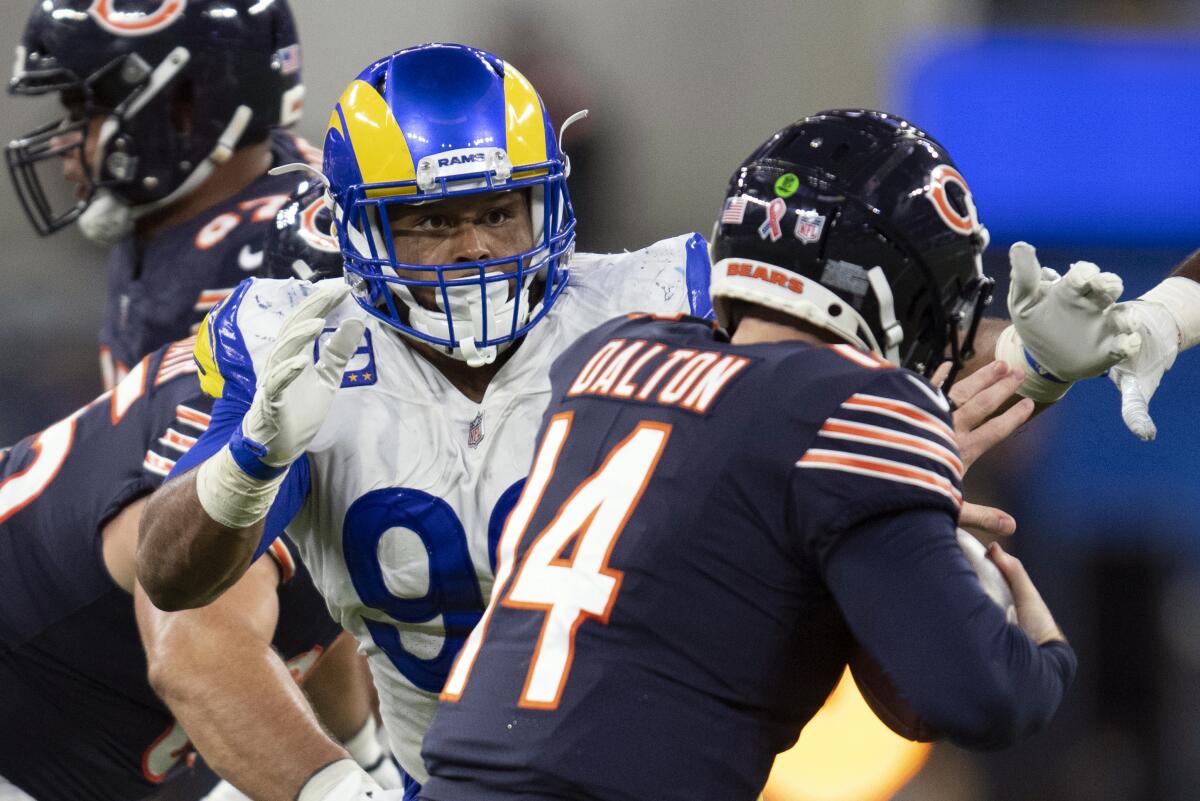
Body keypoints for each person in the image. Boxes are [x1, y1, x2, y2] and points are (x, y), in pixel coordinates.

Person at [416, 111, 1076, 801]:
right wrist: (1048, 652)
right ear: (890, 287)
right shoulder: (856, 407)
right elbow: (983, 695)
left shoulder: (606, 353)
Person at [135, 42, 717, 799]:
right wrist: (253, 456)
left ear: (544, 205)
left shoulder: (656, 306)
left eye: (498, 212)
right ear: (359, 231)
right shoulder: (308, 348)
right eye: (433, 220)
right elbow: (171, 577)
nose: (474, 246)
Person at [0, 340, 396, 801]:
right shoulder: (274, 423)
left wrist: (363, 753)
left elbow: (313, 607)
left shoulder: (351, 402)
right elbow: (196, 657)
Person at [6, 0, 318, 388]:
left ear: (181, 109)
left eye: (82, 111)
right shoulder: (165, 208)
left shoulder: (294, 250)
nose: (61, 143)